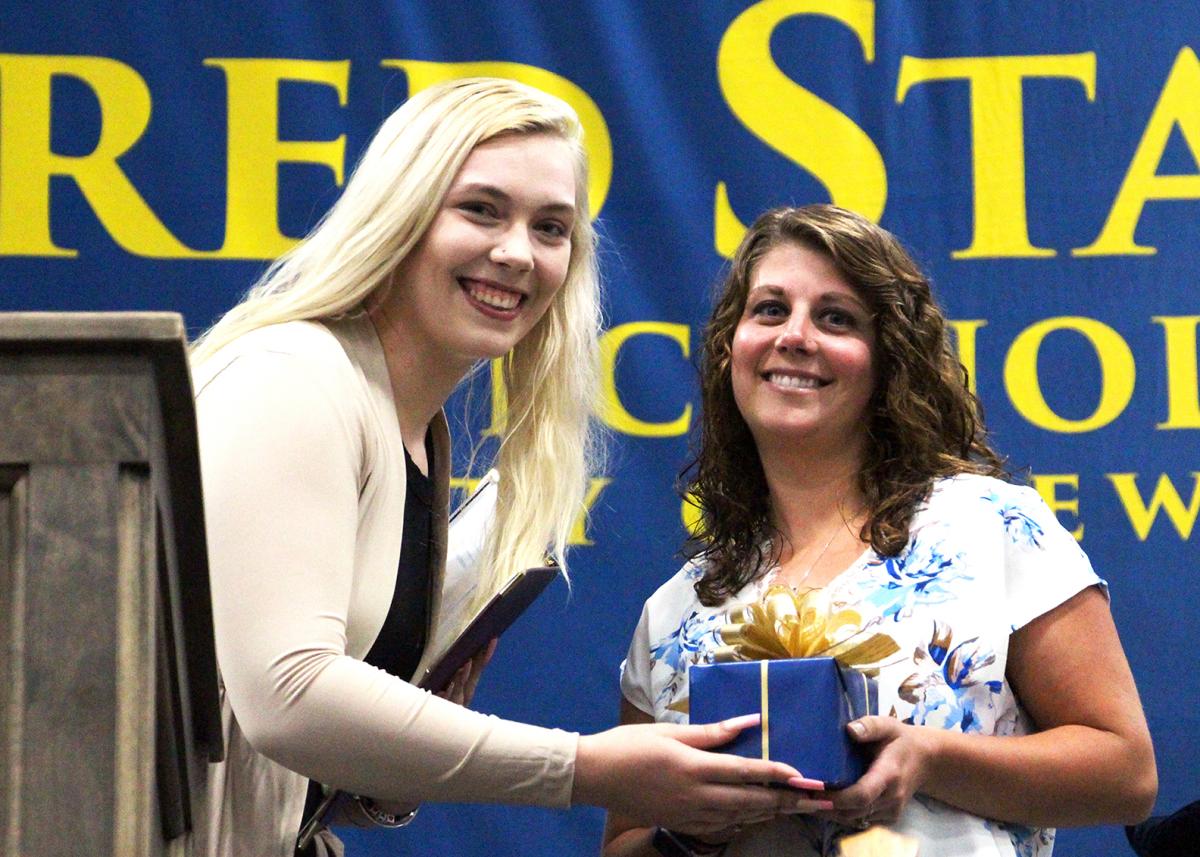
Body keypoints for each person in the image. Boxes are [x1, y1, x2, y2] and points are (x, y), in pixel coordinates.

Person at [191, 78, 814, 857]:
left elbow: (260, 758)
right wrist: (584, 768)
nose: (517, 252)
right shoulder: (293, 377)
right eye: (481, 209)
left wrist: (385, 780)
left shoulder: (411, 427)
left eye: (551, 227)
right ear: (402, 212)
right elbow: (286, 699)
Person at [605, 205, 1157, 857]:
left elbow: (1126, 773)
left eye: (835, 317)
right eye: (770, 310)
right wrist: (691, 830)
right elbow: (624, 844)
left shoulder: (992, 526)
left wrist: (929, 757)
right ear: (730, 348)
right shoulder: (675, 611)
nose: (795, 336)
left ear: (888, 359)